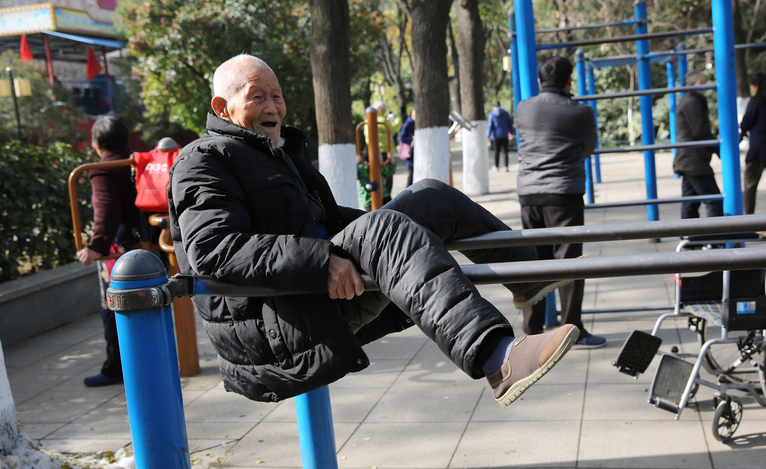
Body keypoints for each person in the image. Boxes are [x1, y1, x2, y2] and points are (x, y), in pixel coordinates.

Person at [167, 54, 578, 407]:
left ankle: (531, 275)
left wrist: (384, 227)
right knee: (383, 229)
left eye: (277, 96)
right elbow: (213, 251)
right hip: (276, 327)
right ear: (222, 107)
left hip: (308, 297)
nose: (273, 106)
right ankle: (499, 358)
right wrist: (322, 258)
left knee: (430, 196)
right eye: (258, 96)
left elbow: (326, 218)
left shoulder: (275, 153)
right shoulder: (202, 160)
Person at [514, 56, 606, 350]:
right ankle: (570, 330)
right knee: (568, 264)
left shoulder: (523, 108)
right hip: (563, 194)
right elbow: (589, 147)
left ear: (540, 82)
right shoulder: (581, 112)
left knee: (533, 263)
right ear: (569, 82)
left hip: (528, 194)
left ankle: (532, 330)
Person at [76, 116, 139, 387]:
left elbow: (105, 210)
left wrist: (95, 246)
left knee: (113, 306)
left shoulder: (102, 169)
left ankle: (116, 368)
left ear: (97, 143)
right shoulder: (137, 161)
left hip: (120, 248)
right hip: (146, 241)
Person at [674, 70, 724, 219]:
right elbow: (700, 130)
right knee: (714, 201)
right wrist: (719, 149)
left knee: (691, 202)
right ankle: (717, 239)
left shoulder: (689, 100)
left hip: (689, 159)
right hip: (694, 161)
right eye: (701, 83)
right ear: (690, 86)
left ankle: (691, 238)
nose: (705, 86)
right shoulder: (692, 102)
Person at [740, 71, 766, 214]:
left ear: (754, 85)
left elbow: (746, 122)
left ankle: (748, 216)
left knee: (750, 185)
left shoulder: (756, 101)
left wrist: (741, 134)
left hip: (758, 149)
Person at [356, 106, 396, 211]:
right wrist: (356, 163)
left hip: (384, 195)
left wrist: (391, 161)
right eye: (377, 153)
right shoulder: (362, 168)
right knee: (373, 216)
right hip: (368, 198)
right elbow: (353, 175)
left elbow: (389, 172)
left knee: (392, 210)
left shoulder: (380, 166)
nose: (379, 155)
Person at [362, 100, 402, 198]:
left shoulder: (367, 121)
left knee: (374, 176)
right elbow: (395, 127)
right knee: (387, 176)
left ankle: (376, 197)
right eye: (384, 109)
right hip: (384, 152)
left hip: (370, 152)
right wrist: (399, 117)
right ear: (380, 110)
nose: (384, 111)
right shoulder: (382, 121)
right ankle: (386, 197)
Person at [487, 100, 514, 172]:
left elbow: (490, 125)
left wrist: (487, 135)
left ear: (494, 107)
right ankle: (506, 167)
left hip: (496, 136)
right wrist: (511, 132)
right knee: (505, 151)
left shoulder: (492, 114)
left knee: (496, 152)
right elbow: (509, 123)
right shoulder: (505, 113)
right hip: (505, 135)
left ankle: (496, 166)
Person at [399, 108, 416, 188]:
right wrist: (412, 141)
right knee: (411, 173)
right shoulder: (408, 123)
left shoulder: (414, 123)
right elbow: (402, 137)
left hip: (416, 152)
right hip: (411, 153)